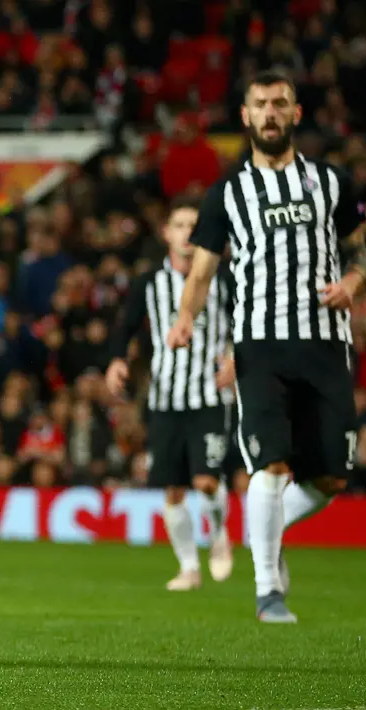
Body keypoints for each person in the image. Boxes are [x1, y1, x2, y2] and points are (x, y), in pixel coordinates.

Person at [166, 69, 366, 623]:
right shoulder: (226, 195)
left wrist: (351, 284)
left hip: (326, 347)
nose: (272, 112)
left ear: (297, 114)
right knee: (270, 466)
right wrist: (185, 318)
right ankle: (267, 593)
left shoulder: (332, 183)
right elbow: (202, 270)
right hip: (260, 346)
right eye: (262, 104)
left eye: (281, 103)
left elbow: (360, 254)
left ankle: (263, 536)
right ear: (246, 117)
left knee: (330, 479)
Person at [106, 198, 236, 591]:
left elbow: (247, 322)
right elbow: (125, 325)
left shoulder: (224, 278)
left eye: (193, 226)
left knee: (206, 482)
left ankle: (217, 534)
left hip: (210, 395)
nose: (186, 233)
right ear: (166, 233)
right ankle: (188, 568)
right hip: (165, 397)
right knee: (173, 489)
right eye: (179, 225)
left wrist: (236, 358)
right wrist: (116, 360)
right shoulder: (149, 283)